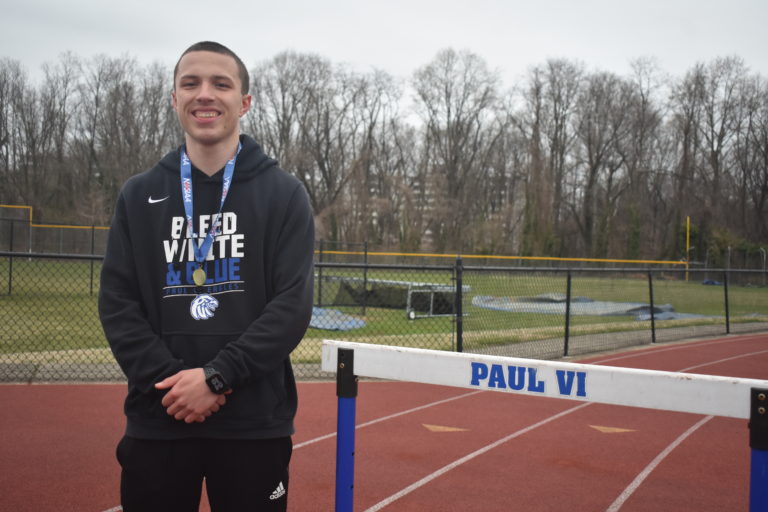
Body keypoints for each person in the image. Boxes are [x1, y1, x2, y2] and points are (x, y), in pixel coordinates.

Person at [98, 41, 314, 512]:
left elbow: (291, 306)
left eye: (221, 83)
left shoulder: (284, 194)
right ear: (174, 99)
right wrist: (176, 382)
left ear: (245, 102)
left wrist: (218, 378)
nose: (205, 94)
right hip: (160, 415)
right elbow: (118, 303)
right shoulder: (139, 195)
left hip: (253, 423)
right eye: (190, 83)